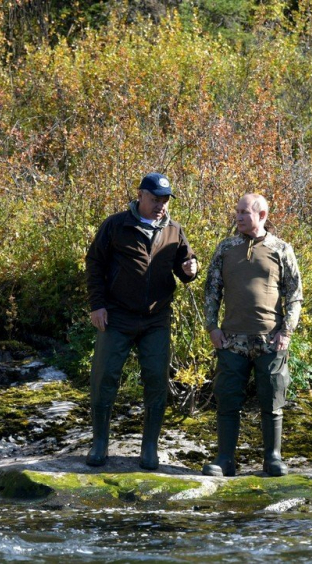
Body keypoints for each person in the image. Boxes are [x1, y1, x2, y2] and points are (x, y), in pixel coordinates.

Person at [85, 172, 198, 470]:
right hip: (117, 315)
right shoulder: (116, 224)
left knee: (156, 381)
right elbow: (94, 263)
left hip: (156, 319)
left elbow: (186, 267)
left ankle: (149, 448)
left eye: (164, 200)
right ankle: (99, 444)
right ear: (140, 195)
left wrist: (191, 269)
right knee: (104, 378)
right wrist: (97, 305)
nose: (160, 205)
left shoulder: (174, 230)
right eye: (155, 199)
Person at [202, 193, 303, 477]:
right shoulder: (226, 248)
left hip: (270, 340)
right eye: (237, 211)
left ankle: (273, 459)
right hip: (231, 340)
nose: (238, 216)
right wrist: (212, 328)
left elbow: (294, 295)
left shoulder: (281, 249)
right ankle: (225, 460)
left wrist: (287, 332)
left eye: (244, 212)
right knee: (227, 399)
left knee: (272, 401)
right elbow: (211, 291)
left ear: (262, 215)